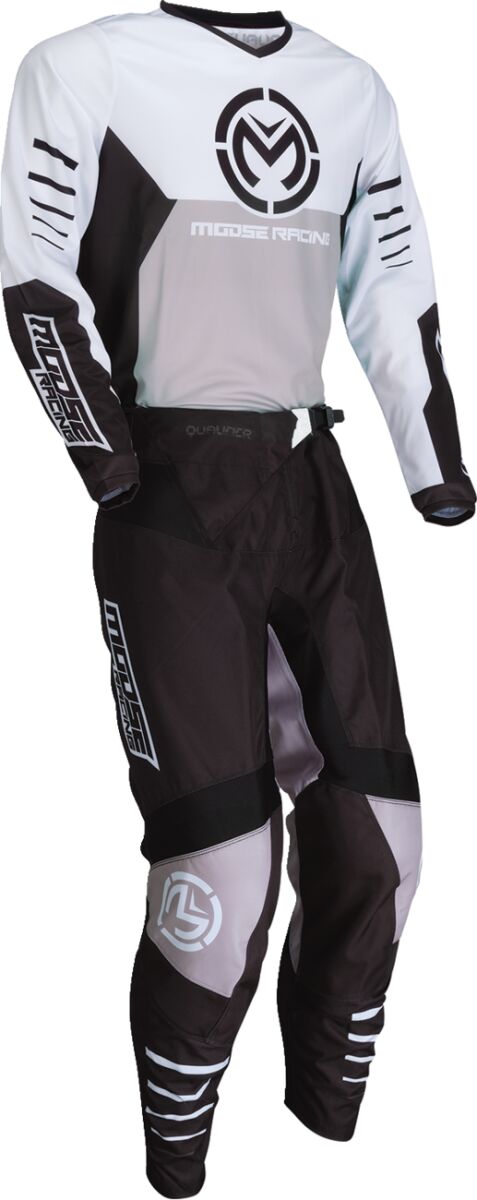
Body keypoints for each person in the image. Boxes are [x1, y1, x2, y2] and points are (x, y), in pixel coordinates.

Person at [0, 5, 475, 1198]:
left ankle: (325, 1124)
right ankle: (177, 1157)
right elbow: (32, 275)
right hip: (169, 491)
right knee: (219, 870)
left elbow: (394, 282)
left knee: (385, 847)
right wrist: (107, 458)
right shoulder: (82, 69)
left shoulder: (353, 88)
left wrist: (434, 464)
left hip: (311, 475)